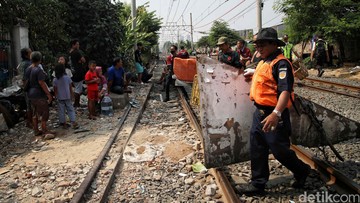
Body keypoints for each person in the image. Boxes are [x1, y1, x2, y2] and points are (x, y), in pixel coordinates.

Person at [242, 27, 311, 195]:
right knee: (257, 148)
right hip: (259, 114)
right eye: (256, 45)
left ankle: (302, 170)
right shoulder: (263, 61)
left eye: (262, 44)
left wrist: (276, 114)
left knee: (279, 150)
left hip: (273, 115)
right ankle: (258, 184)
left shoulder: (281, 64)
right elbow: (265, 78)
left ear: (273, 44)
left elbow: (285, 91)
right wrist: (253, 72)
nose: (258, 48)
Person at [25, 51, 54, 138]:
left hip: (30, 94)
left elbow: (25, 81)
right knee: (44, 111)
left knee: (35, 113)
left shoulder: (28, 69)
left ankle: (36, 130)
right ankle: (45, 130)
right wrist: (48, 94)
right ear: (40, 59)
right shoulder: (38, 70)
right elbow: (41, 83)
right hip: (39, 94)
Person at [53, 63, 78, 129]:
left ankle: (63, 123)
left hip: (60, 97)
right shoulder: (67, 78)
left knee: (61, 110)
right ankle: (73, 122)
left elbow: (55, 90)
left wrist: (55, 97)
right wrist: (72, 95)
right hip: (68, 96)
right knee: (70, 109)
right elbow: (70, 88)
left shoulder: (55, 80)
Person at [17, 48, 33, 128]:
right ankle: (30, 122)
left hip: (25, 86)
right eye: (30, 53)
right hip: (29, 86)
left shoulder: (21, 64)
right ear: (26, 55)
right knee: (31, 106)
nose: (31, 54)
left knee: (28, 105)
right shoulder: (28, 64)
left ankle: (30, 121)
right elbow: (26, 77)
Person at [69, 39, 86, 107]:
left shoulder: (70, 52)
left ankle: (76, 102)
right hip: (78, 72)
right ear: (73, 45)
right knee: (78, 89)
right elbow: (83, 60)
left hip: (72, 71)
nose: (78, 46)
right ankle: (76, 103)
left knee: (77, 87)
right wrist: (80, 61)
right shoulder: (77, 52)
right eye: (77, 44)